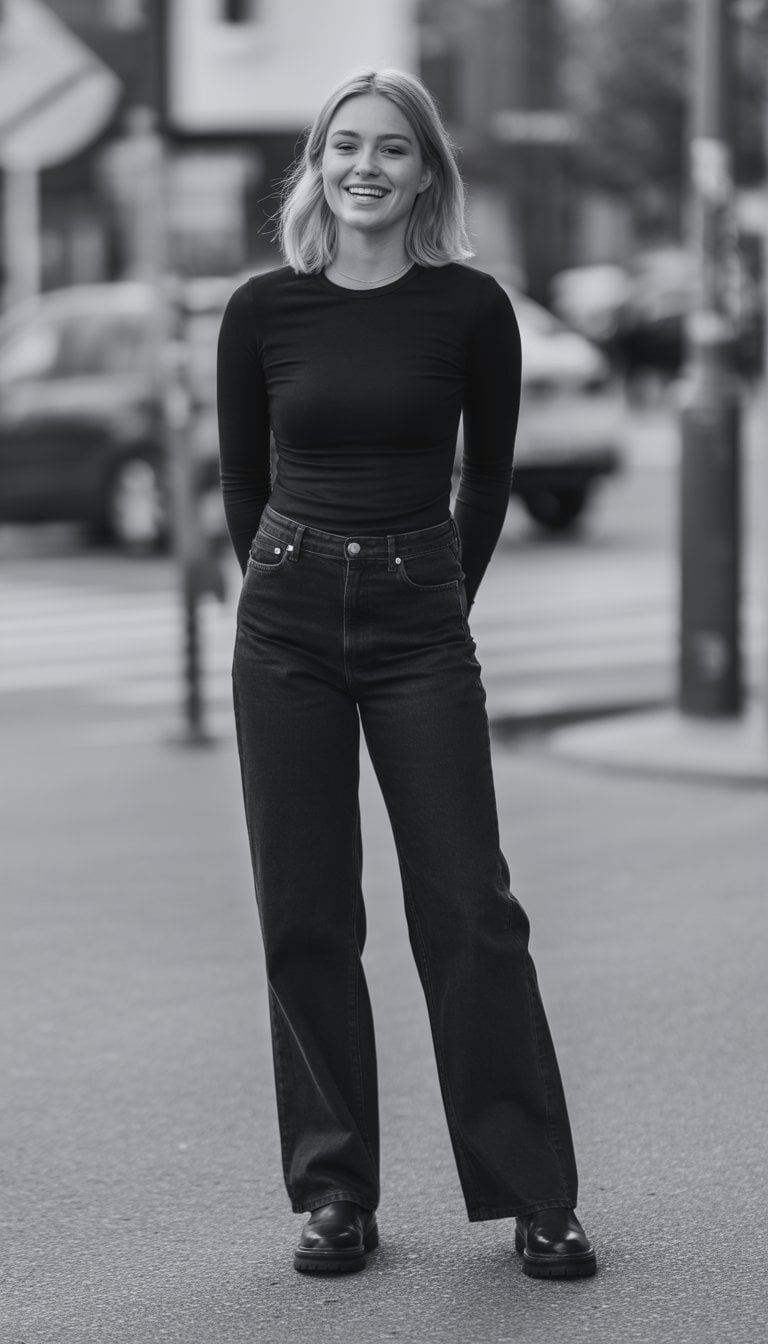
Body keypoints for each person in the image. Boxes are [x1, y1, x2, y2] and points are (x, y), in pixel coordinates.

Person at [217, 67, 596, 1281]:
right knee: (305, 912)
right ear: (318, 166)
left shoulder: (473, 309)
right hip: (284, 623)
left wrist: (437, 596)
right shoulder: (262, 310)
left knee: (470, 910)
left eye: (390, 148)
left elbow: (485, 479)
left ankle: (536, 1194)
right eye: (343, 146)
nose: (363, 166)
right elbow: (241, 480)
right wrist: (289, 582)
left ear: (426, 170)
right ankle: (336, 1194)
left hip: (418, 620)